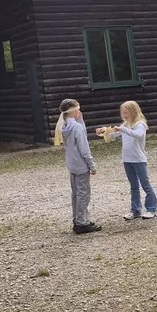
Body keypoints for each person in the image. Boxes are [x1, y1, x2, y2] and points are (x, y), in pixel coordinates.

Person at [97, 100, 157, 221]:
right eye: (123, 113)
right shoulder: (125, 125)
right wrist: (104, 131)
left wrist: (122, 129)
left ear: (133, 111)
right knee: (133, 186)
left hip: (139, 160)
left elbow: (138, 134)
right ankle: (135, 210)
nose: (124, 115)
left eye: (126, 113)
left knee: (145, 185)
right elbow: (113, 136)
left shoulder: (140, 124)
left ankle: (151, 209)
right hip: (127, 160)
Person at [55, 98, 100, 234]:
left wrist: (80, 120)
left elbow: (80, 135)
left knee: (76, 193)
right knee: (83, 194)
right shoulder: (76, 127)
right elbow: (84, 148)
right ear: (74, 110)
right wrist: (92, 165)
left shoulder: (64, 126)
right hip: (80, 165)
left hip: (71, 164)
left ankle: (78, 219)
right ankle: (82, 223)